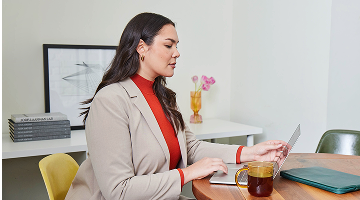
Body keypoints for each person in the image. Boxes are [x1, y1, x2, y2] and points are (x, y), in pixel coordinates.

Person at [65, 12, 288, 200]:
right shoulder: (110, 101)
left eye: (177, 45)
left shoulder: (164, 97)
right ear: (141, 48)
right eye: (168, 45)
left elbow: (190, 148)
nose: (177, 53)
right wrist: (186, 174)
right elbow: (118, 190)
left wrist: (250, 153)